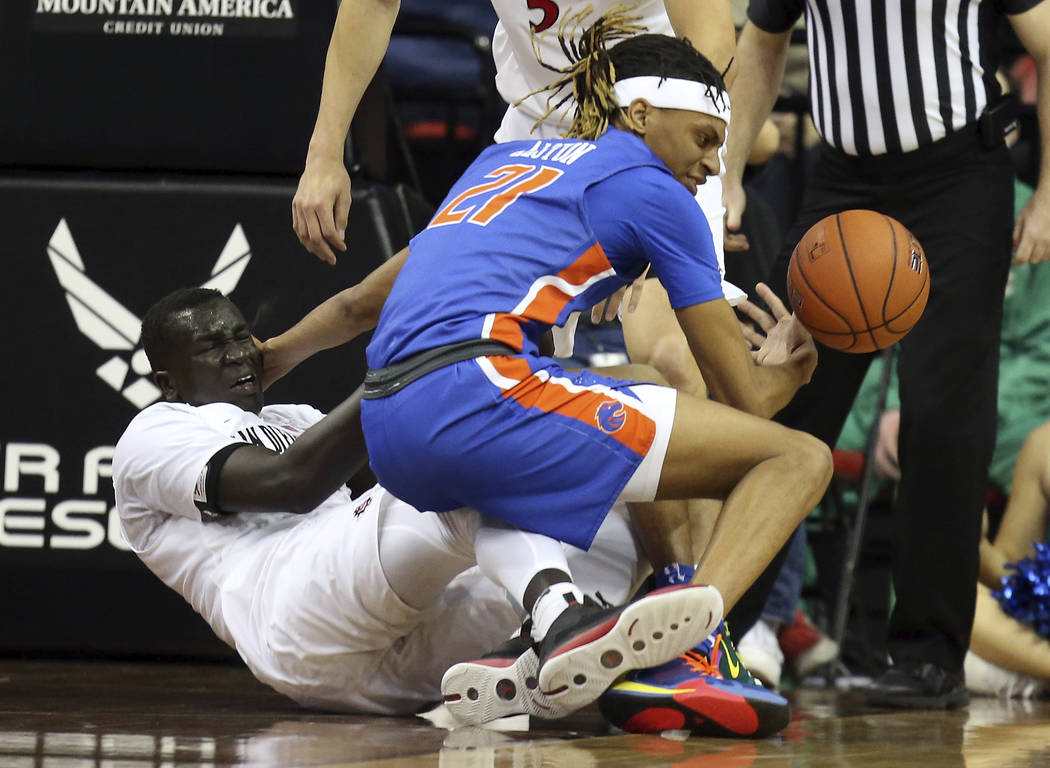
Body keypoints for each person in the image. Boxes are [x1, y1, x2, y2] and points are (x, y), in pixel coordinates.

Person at [344, 26, 832, 727]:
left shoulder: (505, 159)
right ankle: (693, 647)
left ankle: (550, 625)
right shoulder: (653, 192)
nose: (713, 162)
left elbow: (361, 301)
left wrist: (278, 353)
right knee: (798, 458)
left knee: (628, 391)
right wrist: (788, 374)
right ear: (641, 113)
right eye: (703, 139)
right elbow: (744, 399)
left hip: (386, 424)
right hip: (473, 393)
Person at [111, 286, 684, 718]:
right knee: (467, 465)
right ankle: (559, 618)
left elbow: (400, 476)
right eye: (212, 347)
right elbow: (293, 484)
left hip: (383, 664)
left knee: (613, 506)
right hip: (288, 606)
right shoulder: (155, 431)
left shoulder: (295, 417)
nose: (238, 354)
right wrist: (413, 368)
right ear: (168, 381)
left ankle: (534, 663)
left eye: (241, 337)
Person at [721, 0, 1050, 709]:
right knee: (774, 396)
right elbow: (763, 43)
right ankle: (714, 633)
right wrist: (730, 173)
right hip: (843, 181)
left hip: (960, 177)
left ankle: (930, 658)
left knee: (945, 418)